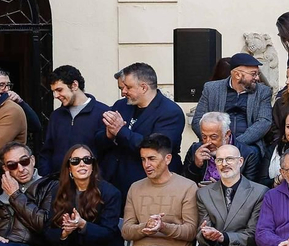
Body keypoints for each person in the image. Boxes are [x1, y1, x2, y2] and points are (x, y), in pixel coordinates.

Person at [98, 62, 186, 194]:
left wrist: (120, 131)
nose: (123, 92)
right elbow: (98, 139)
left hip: (149, 186)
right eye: (122, 87)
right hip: (114, 184)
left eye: (128, 87)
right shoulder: (121, 106)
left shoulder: (170, 112)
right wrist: (108, 135)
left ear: (144, 87)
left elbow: (157, 147)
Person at [189, 52, 273, 167]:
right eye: (253, 74)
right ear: (237, 75)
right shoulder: (211, 89)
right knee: (195, 151)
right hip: (214, 144)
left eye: (258, 74)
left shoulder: (263, 92)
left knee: (252, 152)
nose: (257, 78)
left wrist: (235, 144)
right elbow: (197, 120)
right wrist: (214, 141)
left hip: (247, 145)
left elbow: (264, 122)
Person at [40, 65, 110, 178]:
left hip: (91, 183)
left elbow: (108, 154)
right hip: (59, 183)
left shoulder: (103, 113)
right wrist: (47, 178)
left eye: (59, 90)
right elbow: (47, 151)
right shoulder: (56, 116)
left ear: (74, 85)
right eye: (53, 91)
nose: (56, 96)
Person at [181, 113, 234, 185]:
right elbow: (184, 183)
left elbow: (246, 188)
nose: (208, 142)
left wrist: (221, 188)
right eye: (204, 137)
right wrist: (195, 166)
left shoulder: (245, 153)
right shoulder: (195, 149)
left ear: (227, 134)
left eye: (213, 137)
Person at [0, 69, 46, 141]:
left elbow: (35, 126)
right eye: (1, 85)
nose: (7, 89)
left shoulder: (13, 105)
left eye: (8, 85)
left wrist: (21, 102)